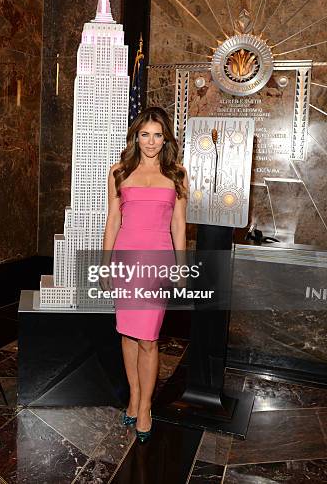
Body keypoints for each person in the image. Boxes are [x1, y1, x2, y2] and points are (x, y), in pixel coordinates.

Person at [102, 106, 187, 443]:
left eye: (157, 135)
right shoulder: (119, 172)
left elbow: (179, 224)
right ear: (136, 136)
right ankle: (134, 397)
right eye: (144, 134)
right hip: (126, 260)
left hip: (157, 263)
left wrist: (181, 266)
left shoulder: (177, 174)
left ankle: (146, 406)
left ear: (165, 138)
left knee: (149, 338)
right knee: (127, 332)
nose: (151, 141)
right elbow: (113, 220)